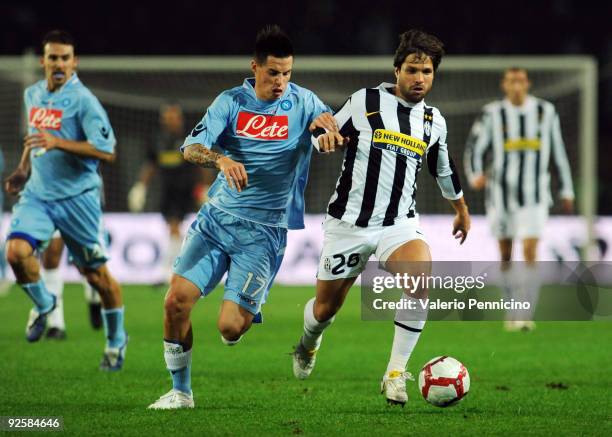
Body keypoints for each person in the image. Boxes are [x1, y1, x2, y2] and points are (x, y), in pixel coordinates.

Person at [148, 25, 335, 410]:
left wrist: (326, 132)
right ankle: (180, 392)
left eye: (287, 73)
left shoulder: (304, 101)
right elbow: (191, 147)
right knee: (175, 302)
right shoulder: (230, 102)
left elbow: (325, 124)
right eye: (272, 73)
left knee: (230, 328)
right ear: (255, 67)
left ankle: (247, 304)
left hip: (264, 232)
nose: (281, 82)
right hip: (217, 220)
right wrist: (221, 158)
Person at [290, 29, 471, 407]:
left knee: (420, 278)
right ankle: (308, 343)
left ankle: (394, 374)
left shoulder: (433, 121)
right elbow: (324, 129)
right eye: (412, 70)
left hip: (398, 225)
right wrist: (323, 137)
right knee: (324, 310)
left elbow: (443, 168)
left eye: (427, 72)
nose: (419, 78)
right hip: (348, 226)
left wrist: (461, 208)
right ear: (397, 69)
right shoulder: (365, 102)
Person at [4, 29, 128, 370]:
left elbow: (107, 151)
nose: (58, 64)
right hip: (39, 195)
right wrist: (22, 169)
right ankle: (45, 304)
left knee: (97, 278)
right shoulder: (33, 95)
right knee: (15, 252)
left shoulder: (84, 101)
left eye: (65, 58)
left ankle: (116, 341)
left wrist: (61, 143)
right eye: (53, 58)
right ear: (44, 61)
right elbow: (35, 140)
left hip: (78, 199)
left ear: (74, 63)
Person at [464, 67, 574, 331]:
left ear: (528, 84)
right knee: (505, 255)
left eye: (521, 81)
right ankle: (510, 308)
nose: (516, 85)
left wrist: (567, 189)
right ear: (504, 85)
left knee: (530, 251)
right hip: (500, 195)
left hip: (535, 195)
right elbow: (474, 147)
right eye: (511, 80)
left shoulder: (545, 112)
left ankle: (524, 313)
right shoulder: (492, 113)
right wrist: (474, 175)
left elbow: (557, 150)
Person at [128, 103, 214, 284]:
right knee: (173, 228)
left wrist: (206, 186)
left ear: (180, 119)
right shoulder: (157, 139)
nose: (171, 121)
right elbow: (150, 164)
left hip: (189, 189)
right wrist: (140, 187)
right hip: (168, 190)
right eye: (167, 118)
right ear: (163, 119)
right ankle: (174, 270)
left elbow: (202, 162)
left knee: (192, 228)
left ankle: (172, 270)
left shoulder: (190, 137)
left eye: (174, 117)